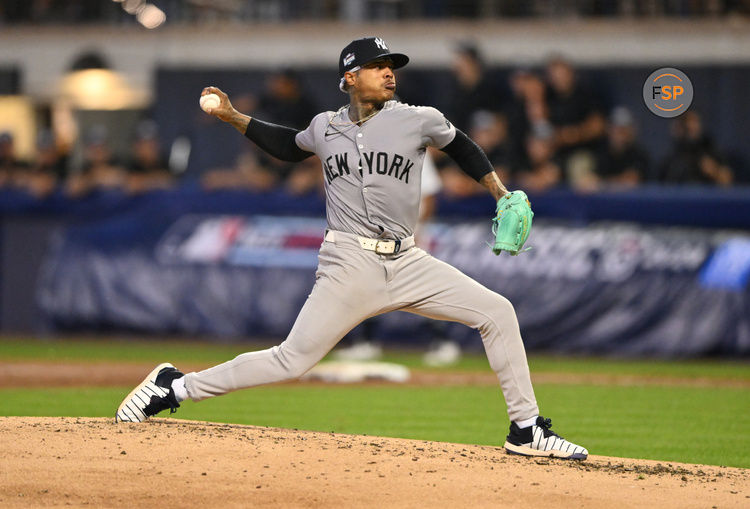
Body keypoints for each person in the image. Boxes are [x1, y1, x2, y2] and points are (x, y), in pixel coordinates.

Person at [115, 37, 588, 460]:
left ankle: (526, 431)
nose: (389, 72)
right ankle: (173, 387)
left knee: (497, 312)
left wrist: (500, 192)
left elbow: (462, 146)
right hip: (349, 263)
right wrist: (234, 117)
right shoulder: (325, 126)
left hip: (407, 259)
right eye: (377, 65)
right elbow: (288, 146)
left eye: (391, 65)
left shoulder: (417, 118)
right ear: (350, 76)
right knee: (291, 360)